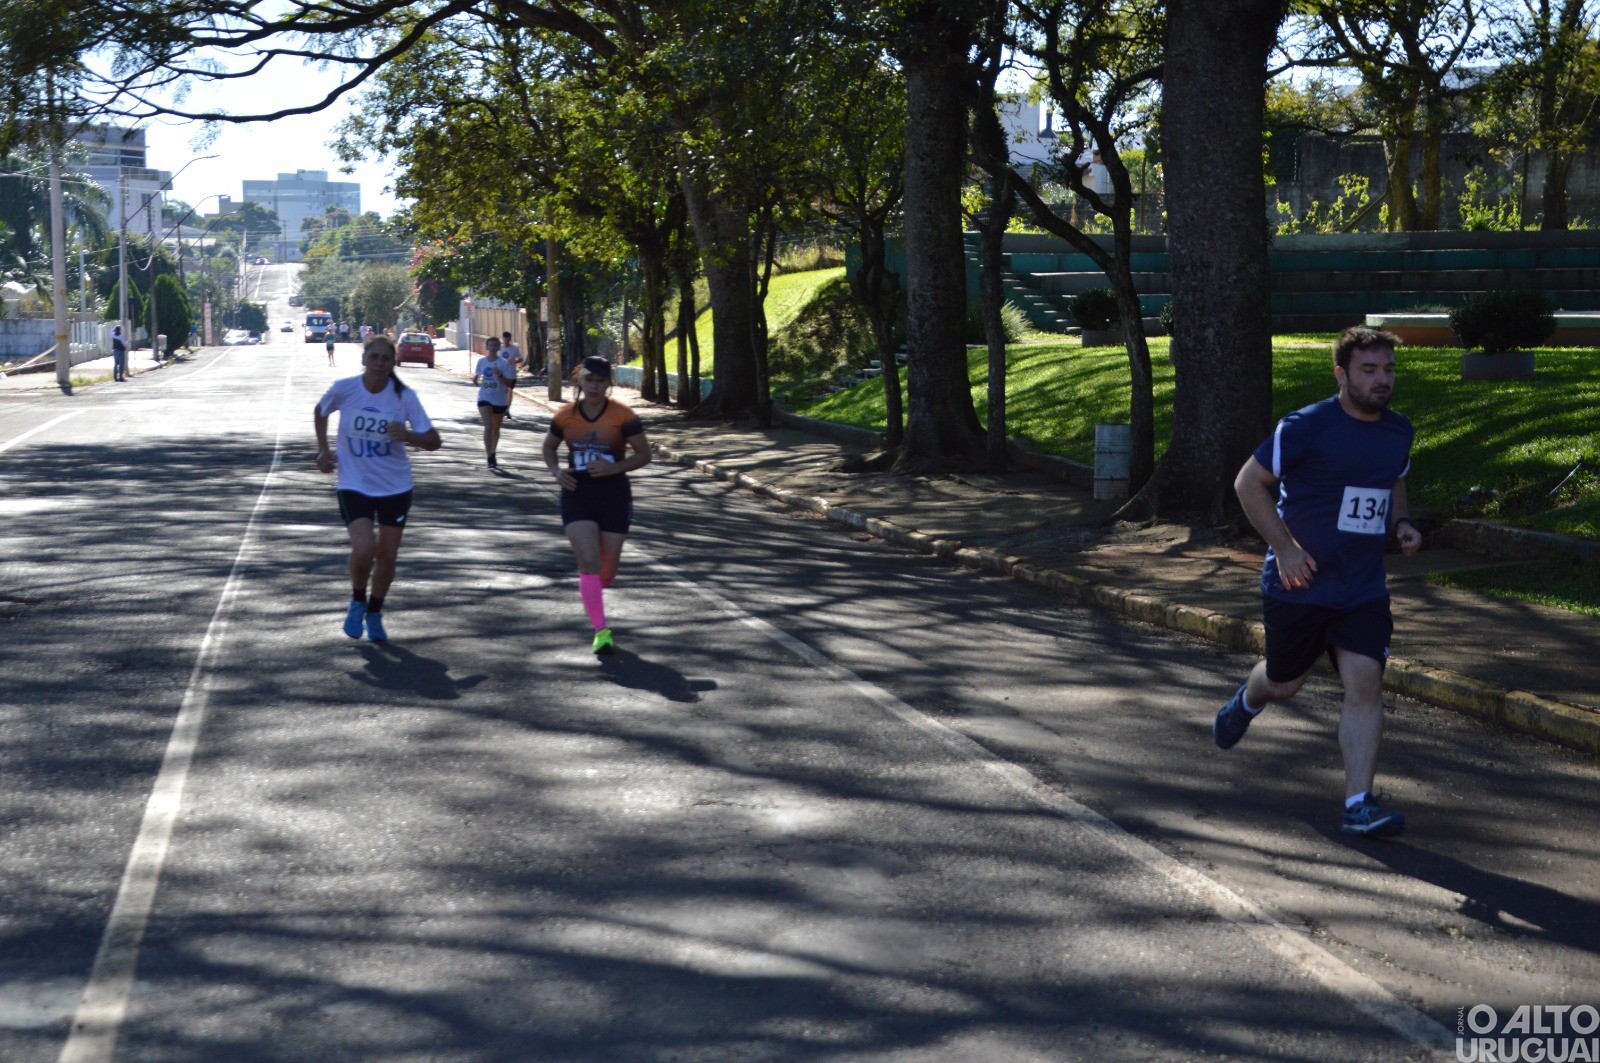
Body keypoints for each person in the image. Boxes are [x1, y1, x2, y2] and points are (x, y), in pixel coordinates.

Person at [1213, 325, 1422, 838]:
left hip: (1362, 587)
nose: (1382, 380)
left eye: (1388, 370)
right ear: (1342, 374)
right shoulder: (1307, 426)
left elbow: (1393, 479)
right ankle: (1248, 698)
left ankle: (1358, 804)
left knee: (1365, 683)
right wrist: (1284, 548)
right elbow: (1248, 483)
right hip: (1300, 582)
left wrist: (1402, 524)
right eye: (1369, 370)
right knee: (1286, 684)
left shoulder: (1398, 430)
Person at [314, 334, 443, 642]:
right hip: (353, 482)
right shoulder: (345, 389)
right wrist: (322, 450)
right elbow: (321, 411)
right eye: (374, 357)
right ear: (364, 360)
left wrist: (409, 437)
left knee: (386, 556)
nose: (380, 364)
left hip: (395, 486)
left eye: (386, 358)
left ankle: (375, 610)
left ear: (392, 363)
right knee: (364, 549)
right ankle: (357, 599)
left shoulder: (404, 397)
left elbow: (435, 441)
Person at [542, 356, 652, 655]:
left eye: (600, 381)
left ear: (608, 384)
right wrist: (556, 472)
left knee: (606, 572)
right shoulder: (566, 415)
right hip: (577, 492)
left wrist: (613, 468)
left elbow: (644, 454)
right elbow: (549, 447)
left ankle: (595, 590)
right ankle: (601, 630)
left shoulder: (622, 415)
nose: (594, 386)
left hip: (614, 494)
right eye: (589, 379)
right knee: (587, 562)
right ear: (579, 379)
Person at [473, 336, 515, 469]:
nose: (492, 348)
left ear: (498, 348)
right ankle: (489, 456)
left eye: (495, 346)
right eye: (490, 345)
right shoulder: (481, 362)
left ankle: (493, 452)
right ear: (486, 347)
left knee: (495, 429)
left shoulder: (504, 363)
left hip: (499, 399)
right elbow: (476, 378)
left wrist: (501, 375)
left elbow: (510, 384)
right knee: (488, 426)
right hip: (484, 397)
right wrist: (475, 380)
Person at [499, 331, 523, 418]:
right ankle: (501, 407)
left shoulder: (514, 349)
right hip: (501, 374)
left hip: (511, 374)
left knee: (509, 391)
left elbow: (521, 359)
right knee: (502, 391)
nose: (506, 342)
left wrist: (515, 361)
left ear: (510, 339)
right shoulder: (499, 348)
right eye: (505, 340)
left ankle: (507, 410)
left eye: (508, 340)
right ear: (502, 339)